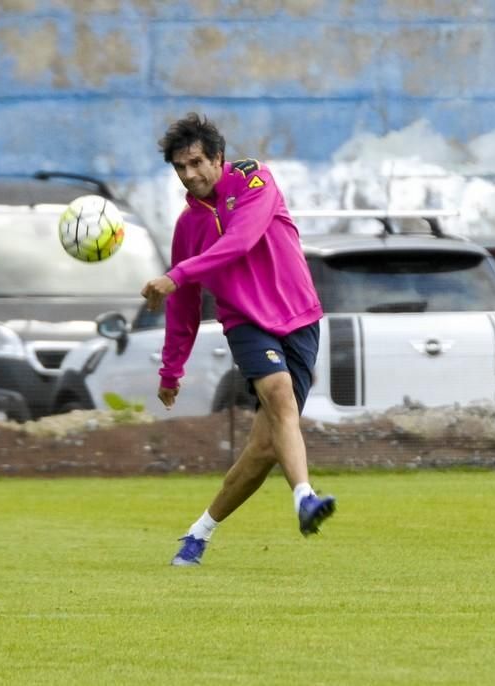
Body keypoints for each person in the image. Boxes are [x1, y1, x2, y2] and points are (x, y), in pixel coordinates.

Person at [141, 113, 336, 566]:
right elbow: (185, 307)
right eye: (180, 169)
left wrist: (176, 274)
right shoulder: (186, 228)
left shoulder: (253, 180)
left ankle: (198, 533)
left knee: (265, 448)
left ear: (218, 158)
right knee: (279, 393)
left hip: (299, 319)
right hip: (246, 323)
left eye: (195, 163)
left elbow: (241, 240)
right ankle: (305, 498)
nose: (189, 175)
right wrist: (171, 370)